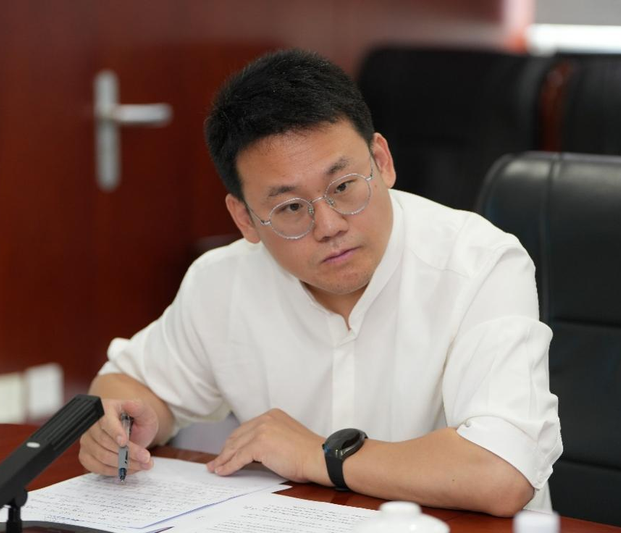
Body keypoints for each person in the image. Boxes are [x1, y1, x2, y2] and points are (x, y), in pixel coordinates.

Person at [79, 49, 562, 517]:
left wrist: (318, 455)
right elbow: (127, 384)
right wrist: (120, 426)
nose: (329, 226)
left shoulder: (480, 264)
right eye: (291, 208)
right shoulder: (223, 281)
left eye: (343, 187)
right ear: (245, 218)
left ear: (381, 161)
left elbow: (501, 473)